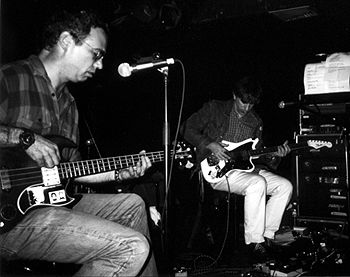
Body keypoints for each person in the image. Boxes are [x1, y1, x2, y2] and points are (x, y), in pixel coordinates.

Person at [0, 9, 158, 276]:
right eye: (96, 54)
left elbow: (73, 169)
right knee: (132, 247)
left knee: (132, 204)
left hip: (48, 203)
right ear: (65, 41)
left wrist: (120, 172)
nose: (100, 65)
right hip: (11, 219)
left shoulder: (70, 104)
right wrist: (23, 138)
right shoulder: (10, 77)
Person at [181, 76, 293, 262]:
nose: (246, 108)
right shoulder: (214, 108)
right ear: (234, 95)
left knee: (285, 186)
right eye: (243, 102)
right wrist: (210, 144)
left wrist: (275, 155)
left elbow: (257, 154)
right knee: (257, 184)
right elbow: (186, 128)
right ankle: (253, 242)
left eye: (251, 104)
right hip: (217, 170)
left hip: (245, 168)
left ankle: (266, 235)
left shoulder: (255, 121)